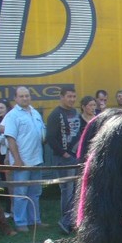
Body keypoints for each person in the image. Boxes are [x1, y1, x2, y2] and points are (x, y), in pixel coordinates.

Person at [2, 86, 46, 232]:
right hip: (22, 161)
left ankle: (35, 221)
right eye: (21, 96)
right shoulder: (12, 115)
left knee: (35, 193)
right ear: (16, 98)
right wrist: (17, 160)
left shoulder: (34, 112)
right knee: (21, 194)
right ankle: (21, 223)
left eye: (27, 95)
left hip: (36, 159)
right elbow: (10, 138)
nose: (25, 98)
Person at [46, 87, 82, 234]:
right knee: (66, 190)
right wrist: (64, 153)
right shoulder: (55, 114)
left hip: (75, 156)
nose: (72, 99)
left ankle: (72, 220)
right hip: (63, 158)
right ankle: (65, 221)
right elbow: (50, 138)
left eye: (74, 97)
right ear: (61, 97)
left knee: (75, 190)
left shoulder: (75, 113)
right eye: (69, 96)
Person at [0, 99, 11, 164]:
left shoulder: (11, 120)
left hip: (8, 154)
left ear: (7, 108)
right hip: (0, 152)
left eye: (1, 108)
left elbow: (4, 139)